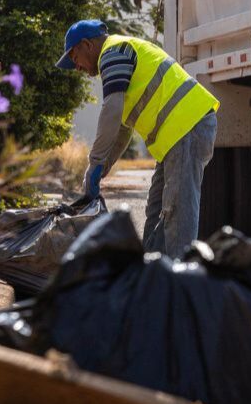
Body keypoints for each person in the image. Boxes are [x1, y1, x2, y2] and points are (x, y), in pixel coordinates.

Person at [56, 20, 219, 256]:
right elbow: (122, 130)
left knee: (178, 211)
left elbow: (111, 110)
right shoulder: (117, 58)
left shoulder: (113, 52)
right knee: (156, 210)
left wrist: (94, 162)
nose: (77, 67)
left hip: (188, 125)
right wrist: (103, 166)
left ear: (87, 45)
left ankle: (181, 273)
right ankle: (152, 269)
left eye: (74, 57)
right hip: (178, 135)